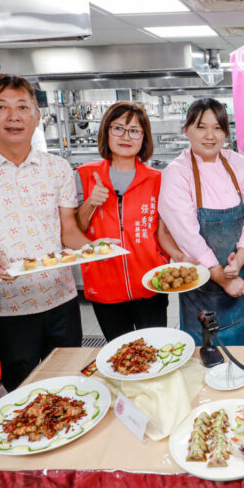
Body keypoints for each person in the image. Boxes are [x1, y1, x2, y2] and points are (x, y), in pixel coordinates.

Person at [0, 74, 92, 391]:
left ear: (37, 115)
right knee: (23, 390)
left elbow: (68, 230)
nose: (14, 116)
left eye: (23, 107)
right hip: (6, 305)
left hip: (61, 298)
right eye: (1, 107)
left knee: (71, 384)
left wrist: (95, 248)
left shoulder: (57, 169)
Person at [74, 102, 190, 340]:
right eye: (118, 128)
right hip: (104, 286)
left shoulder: (158, 179)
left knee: (156, 348)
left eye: (134, 130)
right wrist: (91, 202)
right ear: (106, 132)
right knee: (121, 354)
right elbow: (74, 230)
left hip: (151, 284)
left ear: (144, 137)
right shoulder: (84, 175)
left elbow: (164, 230)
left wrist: (179, 256)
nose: (126, 136)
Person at [160, 98, 244, 345]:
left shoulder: (240, 164)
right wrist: (221, 277)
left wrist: (240, 258)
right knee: (207, 358)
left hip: (243, 280)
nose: (210, 135)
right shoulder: (176, 172)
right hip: (202, 287)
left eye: (217, 128)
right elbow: (186, 235)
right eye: (201, 127)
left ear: (225, 132)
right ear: (186, 129)